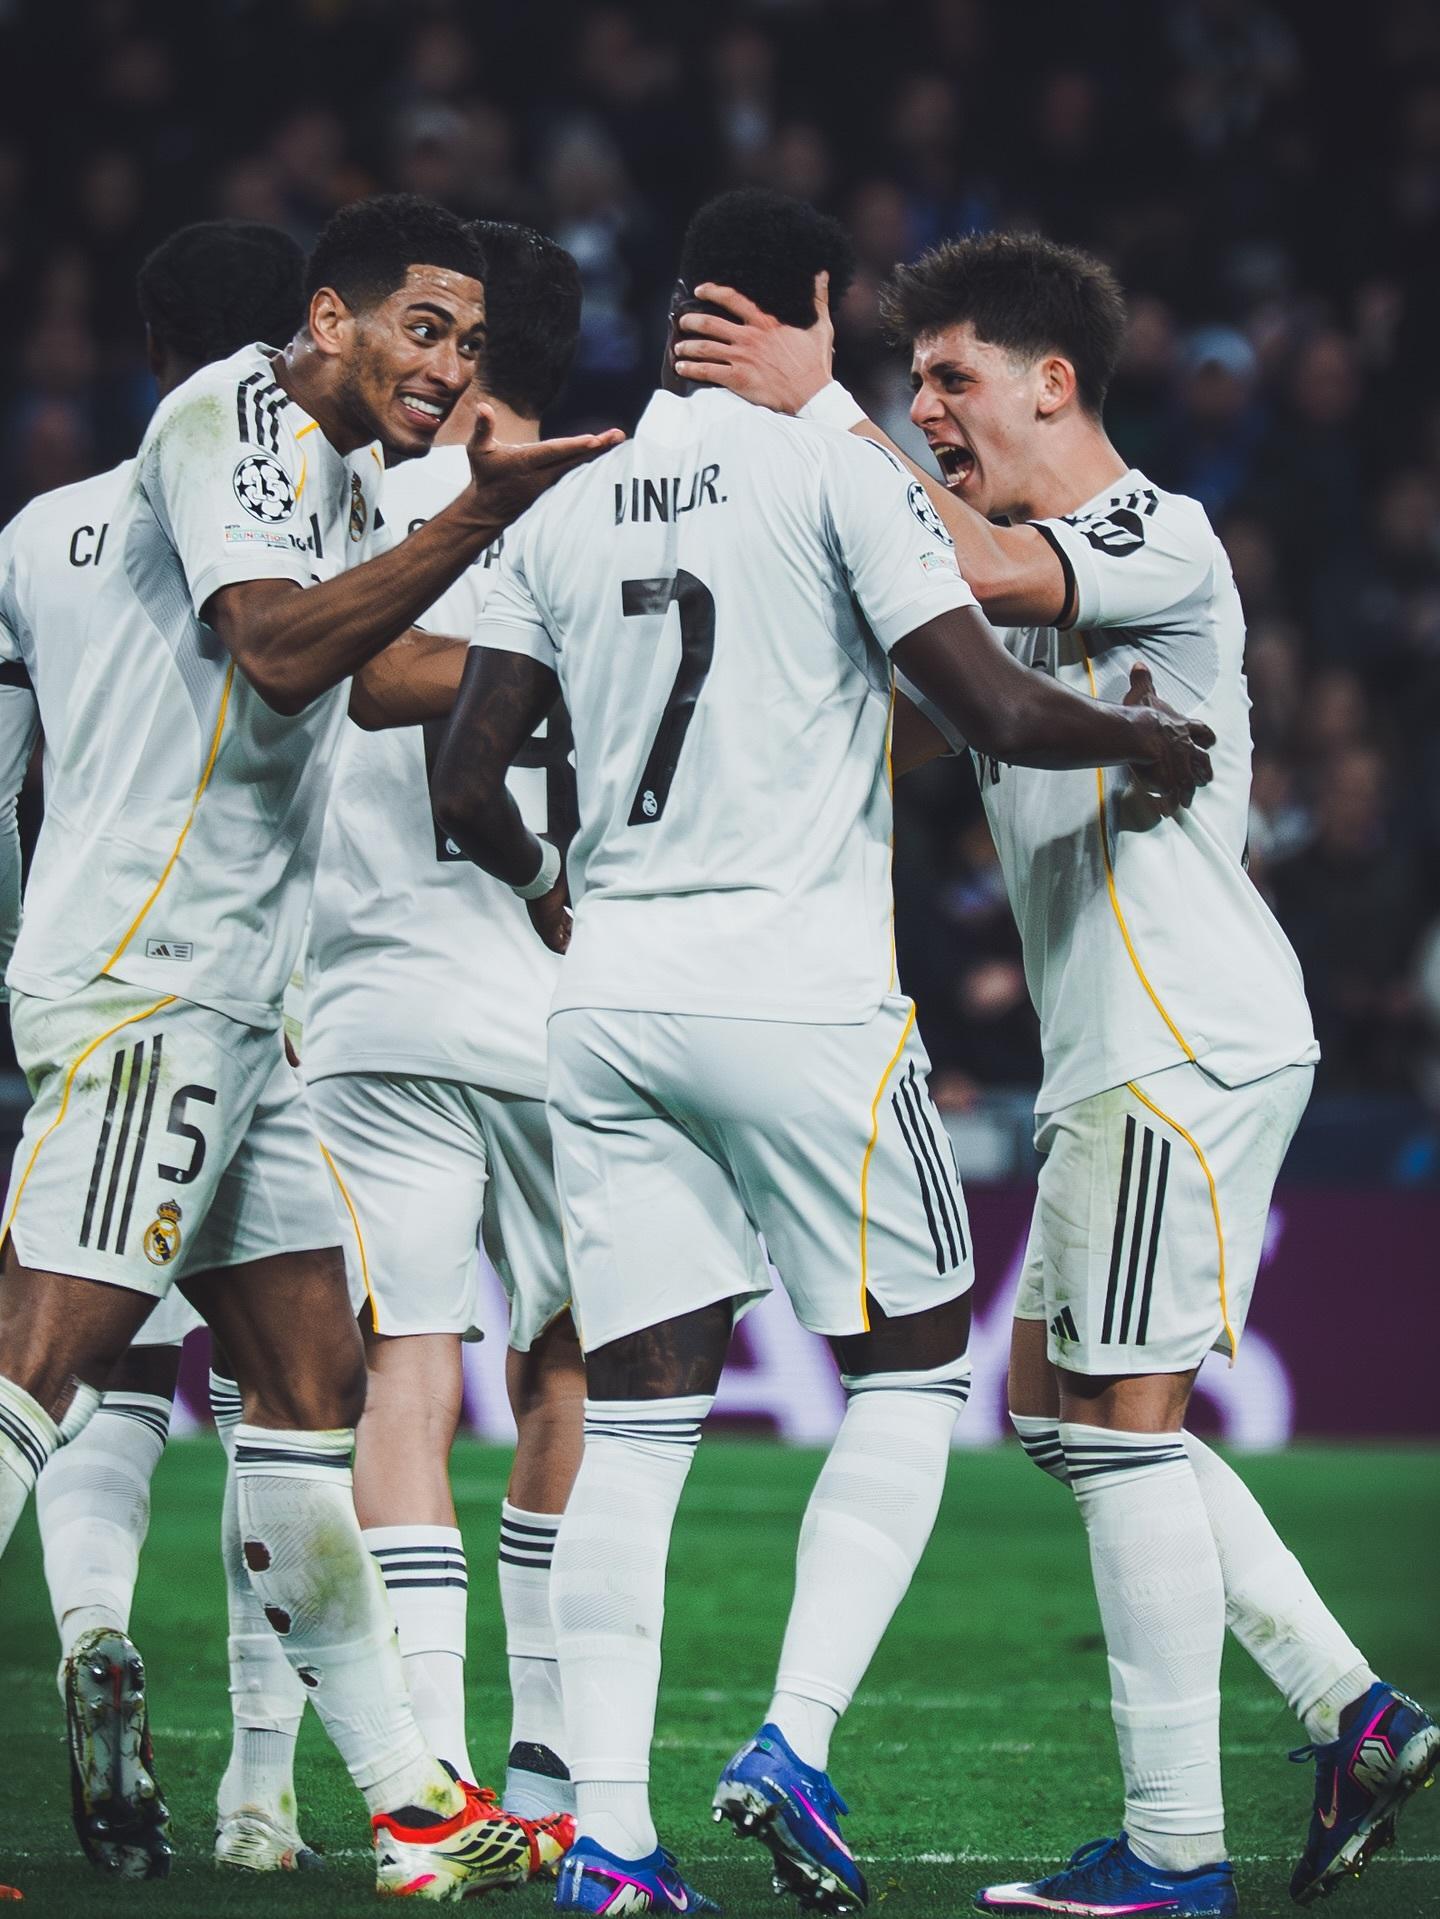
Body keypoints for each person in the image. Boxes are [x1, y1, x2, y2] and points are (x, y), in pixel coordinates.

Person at [429, 188, 1214, 1918]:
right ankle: (792, 1734)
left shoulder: (567, 492)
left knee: (638, 1428)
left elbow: (467, 784)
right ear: (812, 305)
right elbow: (989, 704)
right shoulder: (832, 472)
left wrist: (558, 892)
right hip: (799, 991)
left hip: (609, 1001)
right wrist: (1139, 738)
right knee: (916, 1373)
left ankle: (611, 1848)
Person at [671, 230, 1440, 1915]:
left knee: (1125, 1430)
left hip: (1185, 1041)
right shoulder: (1002, 574)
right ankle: (1355, 1713)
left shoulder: (1155, 530)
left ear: (1054, 382)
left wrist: (826, 413)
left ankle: (1173, 1851)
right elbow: (913, 648)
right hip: (1118, 1054)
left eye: (952, 380)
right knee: (1052, 1413)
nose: (930, 411)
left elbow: (977, 574)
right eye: (914, 384)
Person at [0, 190, 616, 1896]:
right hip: (156, 978)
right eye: (423, 327)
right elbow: (278, 654)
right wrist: (477, 519)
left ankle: (412, 1807)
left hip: (246, 1008)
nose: (450, 365)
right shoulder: (230, 416)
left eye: (470, 342)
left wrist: (576, 644)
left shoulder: (332, 479)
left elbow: (383, 671)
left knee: (310, 1387)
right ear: (326, 317)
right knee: (33, 1374)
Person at [0, 218, 320, 1878]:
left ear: (146, 345)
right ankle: (273, 1789)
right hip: (209, 981)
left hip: (81, 972)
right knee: (254, 1395)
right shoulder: (290, 519)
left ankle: (94, 1627)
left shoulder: (31, 534)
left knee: (119, 1360)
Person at [302, 219, 586, 1819]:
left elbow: (340, 687)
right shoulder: (609, 518)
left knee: (406, 1376)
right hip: (560, 1007)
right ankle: (549, 1757)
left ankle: (435, 1770)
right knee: (571, 1370)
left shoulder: (358, 508)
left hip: (374, 999)